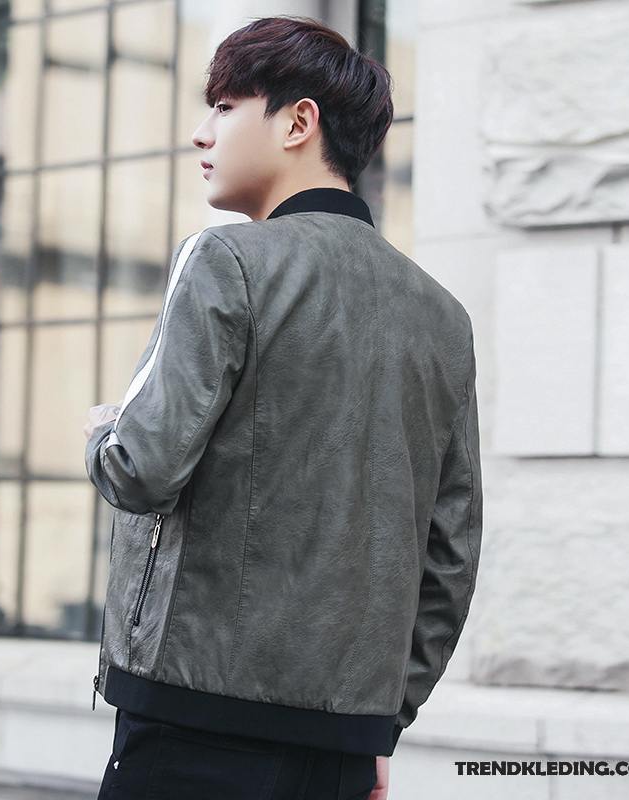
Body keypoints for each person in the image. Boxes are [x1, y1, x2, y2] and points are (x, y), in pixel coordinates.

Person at [83, 14, 482, 800]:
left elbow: (139, 468)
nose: (201, 133)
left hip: (192, 727)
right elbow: (451, 553)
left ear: (299, 122)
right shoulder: (442, 314)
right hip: (343, 745)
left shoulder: (224, 258)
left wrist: (102, 431)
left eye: (225, 106)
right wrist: (379, 720)